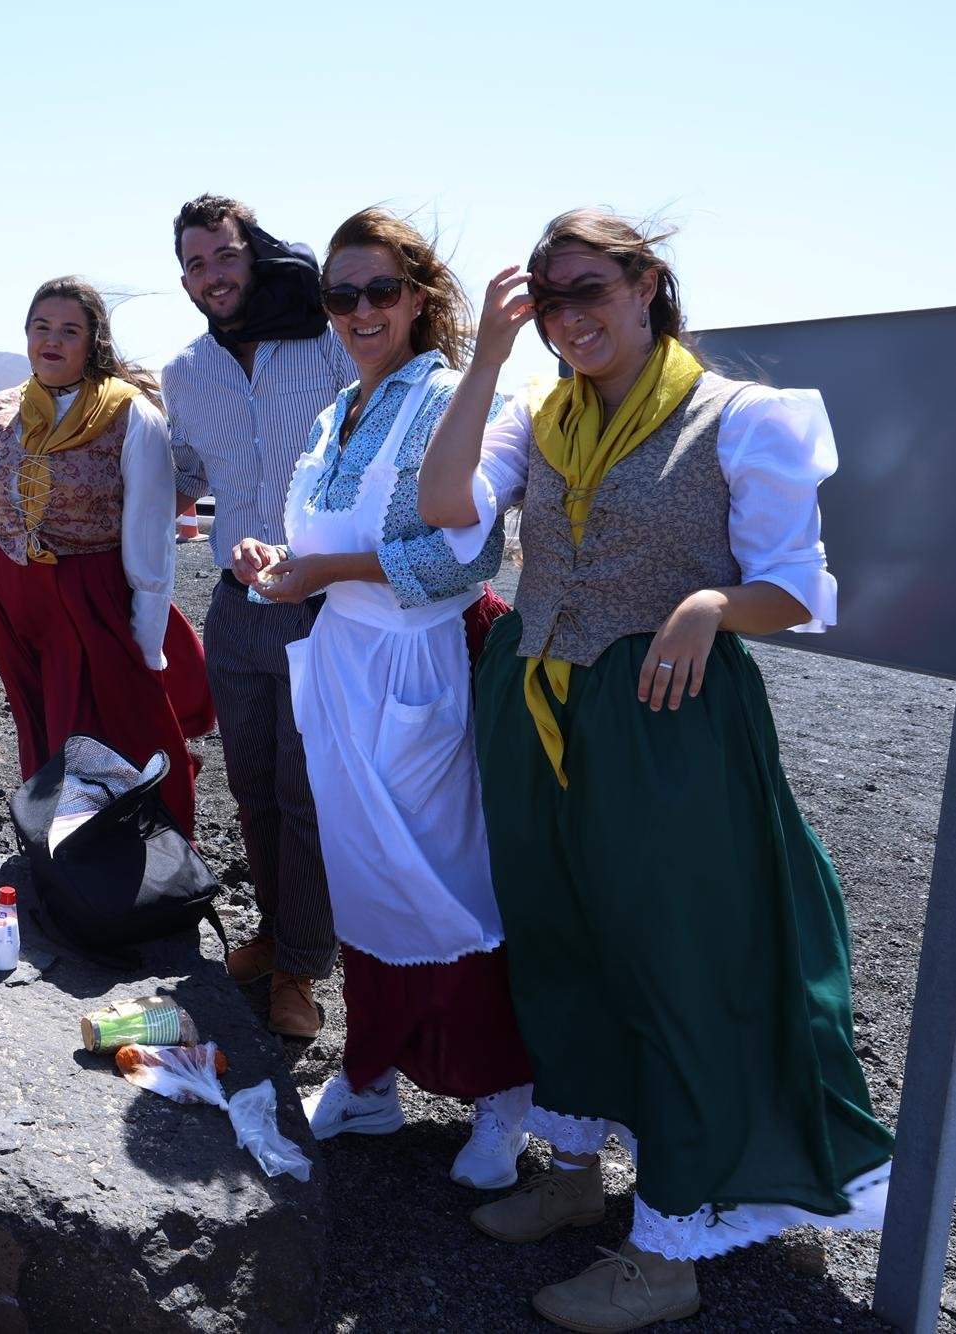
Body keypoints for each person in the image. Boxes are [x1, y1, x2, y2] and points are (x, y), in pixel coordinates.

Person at [416, 212, 892, 1331]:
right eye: (547, 297)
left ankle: (668, 1243)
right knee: (558, 935)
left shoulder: (742, 417)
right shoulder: (539, 416)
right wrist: (487, 353)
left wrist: (713, 602)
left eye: (588, 288)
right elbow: (444, 509)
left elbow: (801, 586)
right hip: (535, 707)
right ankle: (576, 1168)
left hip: (665, 719)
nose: (568, 316)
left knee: (675, 957)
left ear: (647, 286)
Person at [236, 208, 534, 1188]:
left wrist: (323, 569)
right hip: (343, 666)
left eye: (378, 290)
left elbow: (462, 555)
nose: (359, 310)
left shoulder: (450, 397)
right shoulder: (336, 417)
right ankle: (369, 1075)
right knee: (363, 880)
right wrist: (279, 562)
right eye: (340, 294)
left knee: (440, 882)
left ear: (416, 297)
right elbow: (317, 542)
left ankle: (500, 1094)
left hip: (412, 668)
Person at [161, 194, 357, 1036]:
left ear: (255, 253)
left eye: (225, 256)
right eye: (197, 264)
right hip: (234, 609)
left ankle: (303, 971)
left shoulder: (326, 340)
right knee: (250, 788)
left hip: (326, 602)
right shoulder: (185, 373)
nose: (213, 276)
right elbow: (178, 473)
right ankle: (275, 933)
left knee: (305, 789)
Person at [0, 276, 209, 836]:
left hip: (92, 597)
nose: (53, 340)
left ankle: (134, 857)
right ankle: (52, 851)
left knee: (107, 730)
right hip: (9, 594)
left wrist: (147, 642)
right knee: (38, 732)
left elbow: (150, 539)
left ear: (92, 341)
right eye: (42, 327)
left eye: (70, 330)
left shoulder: (130, 415)